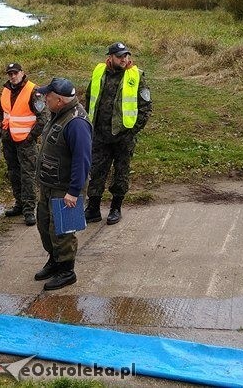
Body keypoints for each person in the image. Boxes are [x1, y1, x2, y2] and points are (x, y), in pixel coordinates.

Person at [84, 42, 153, 225]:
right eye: (120, 56)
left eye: (126, 56)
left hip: (123, 136)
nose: (124, 59)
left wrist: (132, 130)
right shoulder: (99, 72)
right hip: (100, 135)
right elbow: (89, 98)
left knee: (121, 173)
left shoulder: (136, 76)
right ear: (111, 57)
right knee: (96, 171)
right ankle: (93, 209)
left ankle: (116, 207)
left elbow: (146, 107)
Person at [33, 77, 92, 290]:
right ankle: (55, 261)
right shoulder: (58, 114)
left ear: (59, 100)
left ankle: (67, 271)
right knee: (45, 226)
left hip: (66, 188)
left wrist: (74, 192)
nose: (44, 98)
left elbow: (82, 160)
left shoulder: (76, 122)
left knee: (62, 232)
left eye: (48, 95)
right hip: (49, 185)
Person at [0, 62, 49, 227]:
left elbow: (44, 117)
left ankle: (28, 210)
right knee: (13, 173)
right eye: (10, 73)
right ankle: (19, 204)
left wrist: (31, 136)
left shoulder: (34, 91)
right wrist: (1, 129)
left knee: (28, 175)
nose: (12, 76)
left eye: (15, 73)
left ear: (22, 73)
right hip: (9, 140)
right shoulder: (6, 90)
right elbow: (0, 112)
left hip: (26, 142)